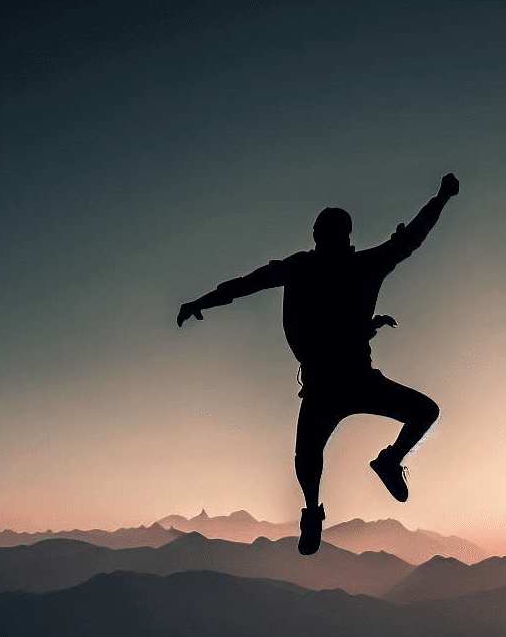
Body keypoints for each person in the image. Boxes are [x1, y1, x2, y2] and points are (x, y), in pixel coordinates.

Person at [178, 173, 460, 554]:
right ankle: (359, 482)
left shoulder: (310, 267)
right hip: (343, 382)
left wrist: (202, 302)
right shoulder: (355, 265)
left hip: (332, 384)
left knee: (313, 455)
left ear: (322, 234)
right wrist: (441, 197)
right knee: (413, 416)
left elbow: (246, 284)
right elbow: (411, 238)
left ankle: (338, 496)